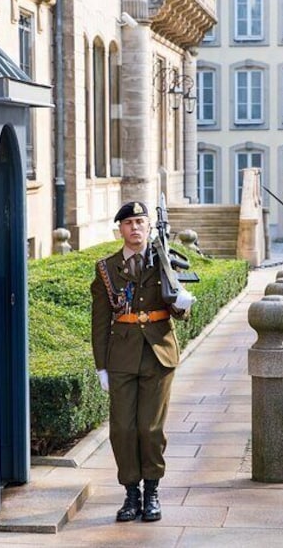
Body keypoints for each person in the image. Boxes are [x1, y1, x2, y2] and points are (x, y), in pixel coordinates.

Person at [90, 201, 195, 523]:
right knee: (123, 429)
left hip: (158, 354)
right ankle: (130, 493)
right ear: (120, 229)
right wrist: (101, 366)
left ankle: (152, 492)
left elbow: (180, 307)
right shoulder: (106, 268)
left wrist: (182, 303)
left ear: (149, 227)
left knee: (150, 429)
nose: (134, 227)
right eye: (128, 223)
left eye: (140, 221)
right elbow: (99, 319)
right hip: (121, 356)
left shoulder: (164, 259)